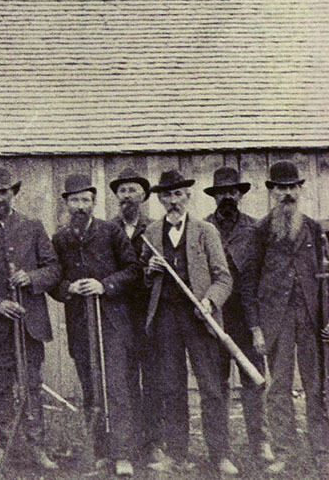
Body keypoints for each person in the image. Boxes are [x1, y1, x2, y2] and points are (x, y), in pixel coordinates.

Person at [141, 170, 236, 475]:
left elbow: (224, 278)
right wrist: (150, 270)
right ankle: (177, 453)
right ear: (159, 199)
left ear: (188, 197)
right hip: (166, 319)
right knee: (172, 388)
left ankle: (220, 454)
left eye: (178, 194)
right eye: (167, 195)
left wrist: (210, 301)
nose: (173, 201)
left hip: (200, 319)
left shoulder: (206, 231)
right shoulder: (152, 233)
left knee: (211, 388)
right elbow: (144, 283)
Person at [0, 167, 60, 470]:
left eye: (4, 191)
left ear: (13, 193)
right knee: (0, 386)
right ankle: (4, 447)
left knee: (32, 384)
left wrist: (30, 278)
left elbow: (54, 268)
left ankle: (37, 448)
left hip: (30, 324)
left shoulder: (33, 227)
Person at [50, 173, 139, 476]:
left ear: (94, 202)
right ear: (66, 203)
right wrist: (68, 289)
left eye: (85, 200)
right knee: (90, 388)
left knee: (115, 387)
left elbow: (133, 270)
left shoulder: (111, 231)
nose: (80, 206)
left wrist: (104, 285)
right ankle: (100, 451)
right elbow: (53, 279)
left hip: (111, 322)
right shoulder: (60, 239)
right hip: (79, 323)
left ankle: (123, 453)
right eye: (74, 200)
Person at [249, 161, 329, 477]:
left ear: (300, 189)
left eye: (292, 187)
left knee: (316, 384)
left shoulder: (313, 228)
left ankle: (321, 449)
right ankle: (283, 449)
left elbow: (325, 278)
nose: (287, 194)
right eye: (281, 188)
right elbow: (249, 282)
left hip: (310, 318)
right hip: (276, 319)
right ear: (272, 192)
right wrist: (256, 327)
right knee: (279, 386)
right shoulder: (261, 230)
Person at [203, 166, 274, 465]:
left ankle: (261, 443)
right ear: (215, 196)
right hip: (213, 317)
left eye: (233, 191)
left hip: (247, 318)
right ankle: (220, 452)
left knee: (253, 383)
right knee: (216, 387)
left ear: (241, 195)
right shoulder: (202, 228)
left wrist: (258, 324)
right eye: (222, 192)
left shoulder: (256, 229)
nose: (227, 197)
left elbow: (261, 277)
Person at [108, 167, 158, 462]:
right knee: (122, 381)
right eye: (122, 191)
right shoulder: (106, 229)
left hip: (149, 314)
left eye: (133, 190)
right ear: (116, 196)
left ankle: (152, 442)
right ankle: (124, 444)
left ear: (144, 196)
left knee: (151, 379)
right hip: (117, 315)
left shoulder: (154, 228)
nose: (127, 196)